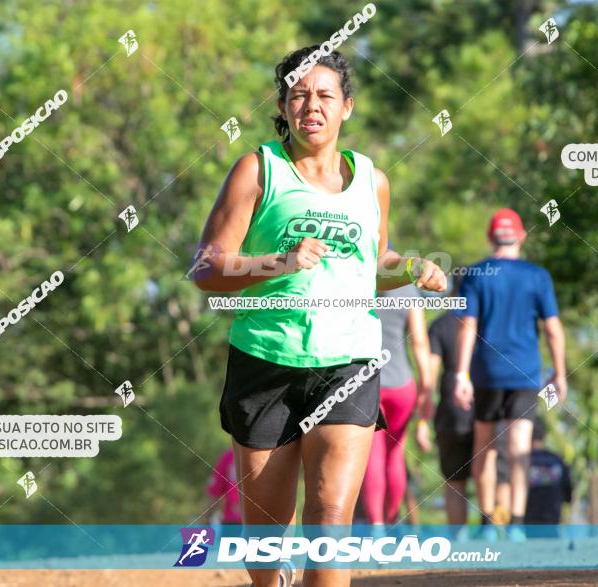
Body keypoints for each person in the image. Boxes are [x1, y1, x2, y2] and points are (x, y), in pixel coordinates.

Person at [191, 45, 446, 587]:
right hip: (265, 359)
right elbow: (207, 268)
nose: (312, 105)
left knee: (330, 518)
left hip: (348, 361)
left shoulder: (371, 180)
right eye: (299, 95)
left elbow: (373, 263)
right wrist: (280, 261)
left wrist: (413, 266)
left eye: (325, 95)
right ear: (283, 107)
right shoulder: (258, 170)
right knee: (266, 533)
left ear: (346, 106)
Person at [452, 208, 567, 541]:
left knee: (483, 446)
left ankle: (488, 524)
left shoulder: (474, 275)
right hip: (525, 372)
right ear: (521, 236)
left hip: (486, 371)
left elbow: (467, 327)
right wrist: (559, 374)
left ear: (491, 238)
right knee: (520, 449)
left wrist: (461, 374)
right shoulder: (537, 276)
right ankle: (516, 523)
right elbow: (554, 330)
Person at [360, 283, 431, 525]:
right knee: (395, 454)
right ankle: (391, 519)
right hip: (403, 384)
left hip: (365, 382)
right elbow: (419, 343)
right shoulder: (408, 290)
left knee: (373, 456)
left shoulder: (359, 279)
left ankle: (376, 525)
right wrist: (427, 388)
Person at [421, 278, 475, 525]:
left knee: (455, 482)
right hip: (487, 407)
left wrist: (423, 418)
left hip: (451, 412)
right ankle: (494, 533)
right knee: (491, 472)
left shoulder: (440, 325)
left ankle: (459, 541)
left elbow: (429, 378)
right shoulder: (485, 322)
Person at [524, 418, 572, 527]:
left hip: (525, 524)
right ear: (544, 436)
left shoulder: (519, 463)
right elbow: (568, 493)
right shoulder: (557, 460)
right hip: (551, 521)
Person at [205, 447, 242, 525]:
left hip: (234, 522)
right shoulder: (230, 456)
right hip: (234, 522)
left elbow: (213, 495)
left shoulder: (231, 455)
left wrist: (205, 522)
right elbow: (214, 492)